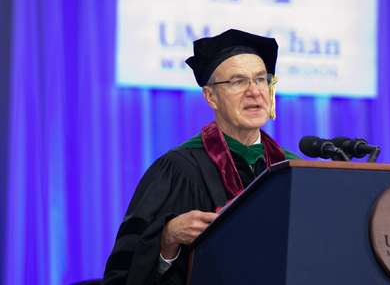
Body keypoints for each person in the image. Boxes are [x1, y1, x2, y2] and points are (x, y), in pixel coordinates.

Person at [102, 29, 302, 284]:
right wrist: (167, 239)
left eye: (261, 79)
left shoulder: (292, 169)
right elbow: (125, 273)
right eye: (238, 81)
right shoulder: (178, 170)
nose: (254, 91)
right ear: (211, 97)